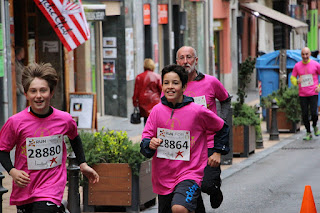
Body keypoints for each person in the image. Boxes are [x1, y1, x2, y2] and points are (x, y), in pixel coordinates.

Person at [0, 62, 99, 212]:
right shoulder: (15, 122)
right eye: (33, 91)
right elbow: (2, 149)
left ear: (51, 93)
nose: (38, 96)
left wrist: (83, 163)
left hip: (51, 187)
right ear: (26, 94)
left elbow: (75, 138)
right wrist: (12, 171)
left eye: (43, 90)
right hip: (25, 188)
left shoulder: (64, 119)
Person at [140, 64, 229, 213]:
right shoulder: (156, 111)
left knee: (179, 208)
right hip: (163, 176)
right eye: (166, 83)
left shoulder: (197, 111)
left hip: (191, 173)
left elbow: (222, 127)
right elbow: (145, 140)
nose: (170, 87)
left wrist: (218, 152)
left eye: (175, 83)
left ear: (184, 86)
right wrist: (150, 143)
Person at [176, 46, 231, 211]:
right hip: (186, 146)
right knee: (192, 186)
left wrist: (220, 121)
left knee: (206, 184)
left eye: (189, 57)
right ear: (177, 61)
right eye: (182, 58)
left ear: (196, 60)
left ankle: (214, 189)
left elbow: (226, 100)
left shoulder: (210, 82)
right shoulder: (175, 85)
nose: (186, 62)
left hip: (209, 143)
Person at [290, 47, 320, 141]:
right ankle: (308, 132)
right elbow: (292, 78)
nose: (305, 56)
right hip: (303, 94)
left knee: (314, 113)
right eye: (303, 54)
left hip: (313, 92)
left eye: (307, 54)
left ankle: (315, 126)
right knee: (305, 114)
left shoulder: (315, 64)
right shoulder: (297, 66)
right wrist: (297, 81)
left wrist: (319, 86)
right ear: (301, 55)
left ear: (310, 54)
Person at [132, 58, 162, 125]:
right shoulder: (157, 77)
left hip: (143, 101)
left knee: (146, 119)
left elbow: (136, 91)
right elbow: (161, 90)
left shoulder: (139, 77)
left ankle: (147, 133)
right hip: (154, 100)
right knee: (155, 119)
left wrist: (135, 103)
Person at [15, 46, 27, 112]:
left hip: (22, 88)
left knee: (22, 106)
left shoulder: (20, 63)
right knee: (20, 108)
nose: (24, 53)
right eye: (23, 52)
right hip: (19, 89)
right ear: (20, 53)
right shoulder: (15, 63)